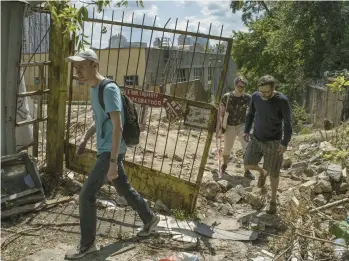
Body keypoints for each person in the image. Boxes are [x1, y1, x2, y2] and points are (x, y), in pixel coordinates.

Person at [65, 49, 159, 259]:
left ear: (94, 65)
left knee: (87, 195)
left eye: (81, 66)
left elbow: (118, 127)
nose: (77, 70)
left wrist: (114, 161)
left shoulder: (108, 89)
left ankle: (87, 244)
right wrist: (85, 138)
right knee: (123, 187)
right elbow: (100, 118)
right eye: (76, 67)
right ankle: (149, 218)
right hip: (106, 149)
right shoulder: (94, 88)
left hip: (110, 151)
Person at [243, 75, 292, 214]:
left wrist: (284, 142)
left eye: (266, 92)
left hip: (274, 142)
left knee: (274, 173)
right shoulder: (256, 96)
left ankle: (273, 201)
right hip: (257, 138)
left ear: (273, 88)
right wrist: (246, 130)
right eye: (261, 91)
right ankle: (262, 172)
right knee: (247, 163)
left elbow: (288, 124)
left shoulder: (282, 101)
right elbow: (251, 114)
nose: (263, 94)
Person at [220, 76, 255, 180]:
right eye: (239, 86)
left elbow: (255, 108)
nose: (241, 88)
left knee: (247, 148)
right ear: (235, 85)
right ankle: (224, 165)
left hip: (242, 125)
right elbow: (220, 112)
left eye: (243, 87)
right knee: (227, 149)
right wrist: (220, 126)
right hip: (229, 125)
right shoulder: (227, 97)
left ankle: (247, 171)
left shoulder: (247, 98)